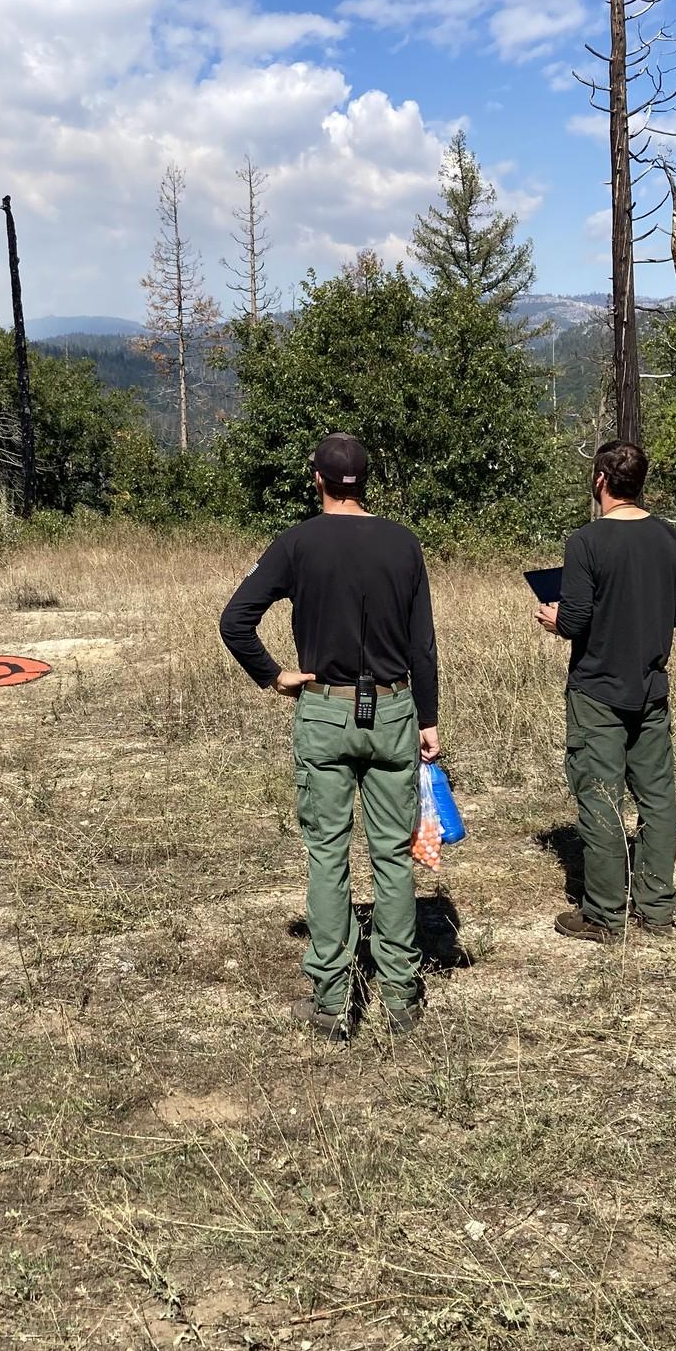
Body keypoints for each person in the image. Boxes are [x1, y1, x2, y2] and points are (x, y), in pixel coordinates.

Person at [219, 432, 440, 1038]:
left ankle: (332, 1000)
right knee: (393, 855)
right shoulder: (402, 543)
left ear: (316, 477)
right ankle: (400, 994)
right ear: (366, 480)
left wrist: (275, 676)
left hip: (323, 709)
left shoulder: (296, 544)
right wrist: (429, 719)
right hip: (394, 709)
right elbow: (422, 643)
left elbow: (234, 621)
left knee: (328, 854)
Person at [536, 440, 676, 944]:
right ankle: (657, 908)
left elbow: (577, 618)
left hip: (598, 690)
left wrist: (556, 617)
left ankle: (604, 916)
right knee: (658, 798)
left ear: (601, 480)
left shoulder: (587, 541)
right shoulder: (672, 540)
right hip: (651, 689)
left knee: (600, 798)